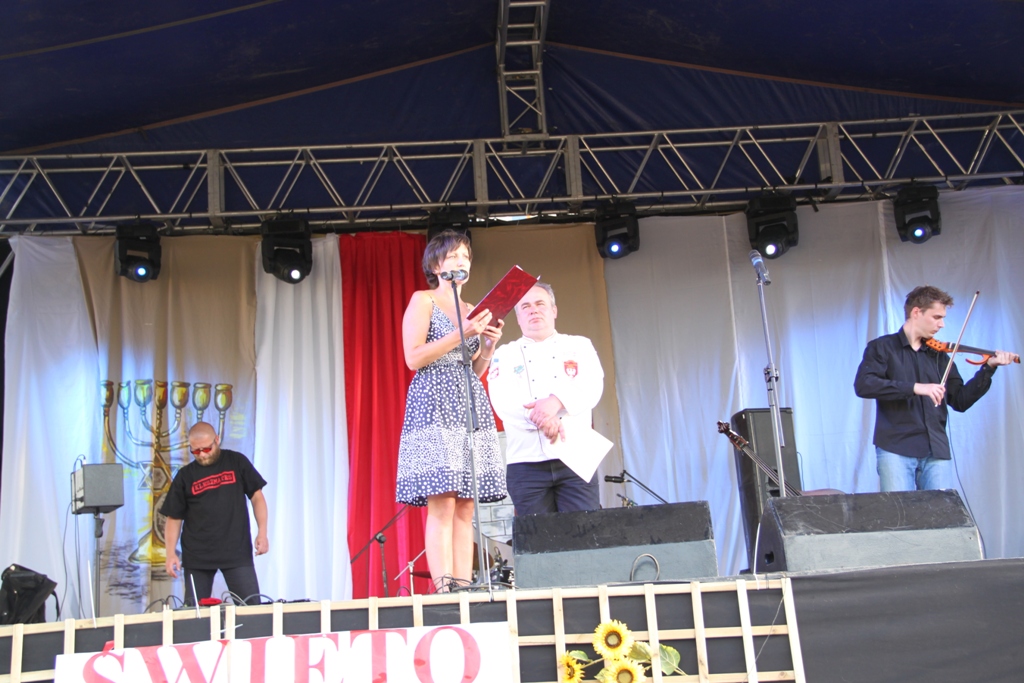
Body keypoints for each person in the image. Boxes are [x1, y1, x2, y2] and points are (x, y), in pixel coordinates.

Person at [395, 229, 507, 591]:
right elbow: (414, 358)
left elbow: (473, 369)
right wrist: (464, 332)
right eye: (454, 256)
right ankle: (444, 589)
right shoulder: (423, 300)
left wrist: (487, 346)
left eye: (466, 256)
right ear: (435, 265)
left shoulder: (473, 310)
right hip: (433, 402)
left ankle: (464, 586)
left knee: (466, 505)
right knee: (442, 501)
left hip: (468, 403)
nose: (462, 261)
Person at [854, 285, 1013, 492]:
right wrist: (915, 387)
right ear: (916, 312)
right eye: (937, 317)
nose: (942, 324)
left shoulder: (939, 355)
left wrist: (988, 368)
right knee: (899, 512)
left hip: (935, 450)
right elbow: (864, 385)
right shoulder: (882, 347)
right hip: (895, 449)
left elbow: (960, 401)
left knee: (942, 512)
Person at [487, 283, 605, 515]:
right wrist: (542, 418)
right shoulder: (504, 354)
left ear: (554, 311)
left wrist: (555, 402)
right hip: (525, 461)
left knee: (585, 531)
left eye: (540, 304)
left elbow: (592, 386)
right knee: (537, 535)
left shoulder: (580, 345)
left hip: (577, 454)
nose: (534, 310)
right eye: (526, 307)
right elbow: (502, 402)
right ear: (518, 318)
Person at [161, 422, 269, 605]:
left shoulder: (236, 462)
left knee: (251, 609)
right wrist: (170, 553)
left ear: (217, 440)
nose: (202, 455)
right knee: (195, 614)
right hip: (197, 555)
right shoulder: (185, 476)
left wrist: (262, 533)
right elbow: (174, 517)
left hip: (236, 550)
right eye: (196, 451)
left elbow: (257, 497)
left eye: (206, 449)